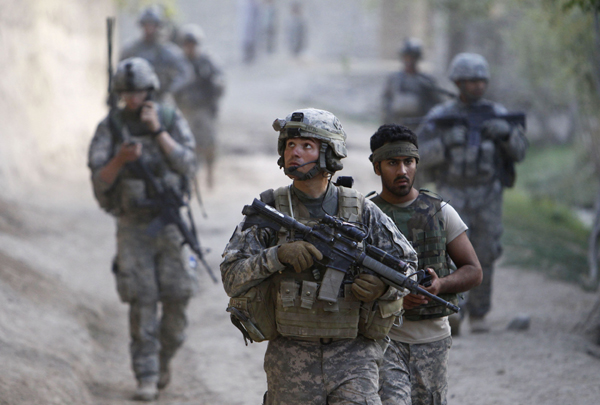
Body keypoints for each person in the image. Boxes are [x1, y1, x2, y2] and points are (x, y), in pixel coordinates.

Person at [221, 108, 418, 405]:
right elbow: (231, 276)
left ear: (329, 153)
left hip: (354, 353)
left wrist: (383, 286)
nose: (294, 153)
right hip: (291, 355)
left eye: (306, 146)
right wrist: (277, 256)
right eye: (290, 145)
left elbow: (407, 266)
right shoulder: (270, 209)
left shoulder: (360, 209)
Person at [87, 57, 198, 401]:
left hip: (168, 224)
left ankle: (165, 359)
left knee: (179, 296)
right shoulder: (111, 127)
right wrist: (120, 160)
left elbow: (188, 164)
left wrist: (158, 132)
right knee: (142, 300)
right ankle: (146, 374)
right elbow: (99, 178)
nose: (132, 99)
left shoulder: (167, 117)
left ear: (150, 90)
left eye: (138, 92)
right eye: (126, 93)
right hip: (133, 225)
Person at [368, 124, 482, 405]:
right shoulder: (365, 214)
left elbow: (473, 271)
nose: (402, 171)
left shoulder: (440, 211)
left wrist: (441, 284)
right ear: (377, 167)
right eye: (393, 163)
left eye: (408, 162)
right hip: (384, 337)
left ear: (416, 163)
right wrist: (393, 299)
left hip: (432, 339)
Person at [417, 53, 528, 333]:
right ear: (458, 82)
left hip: (488, 193)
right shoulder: (441, 116)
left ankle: (479, 314)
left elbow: (521, 152)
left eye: (481, 80)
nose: (477, 86)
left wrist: (505, 134)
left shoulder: (498, 113)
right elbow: (416, 157)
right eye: (471, 81)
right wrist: (444, 143)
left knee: (486, 252)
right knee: (450, 253)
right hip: (453, 192)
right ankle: (454, 310)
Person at [175, 23, 225, 189]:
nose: (190, 48)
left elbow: (220, 82)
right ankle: (190, 178)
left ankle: (210, 174)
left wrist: (214, 88)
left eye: (193, 44)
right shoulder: (178, 63)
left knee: (209, 144)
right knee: (187, 144)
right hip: (185, 110)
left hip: (204, 110)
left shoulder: (207, 61)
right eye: (187, 44)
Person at [120, 5, 193, 104]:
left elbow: (185, 72)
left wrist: (170, 89)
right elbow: (120, 71)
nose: (149, 28)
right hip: (135, 100)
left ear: (158, 26)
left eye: (152, 24)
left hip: (160, 98)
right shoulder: (131, 49)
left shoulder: (168, 51)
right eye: (146, 24)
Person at [381, 38, 444, 131]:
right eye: (406, 57)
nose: (409, 60)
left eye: (412, 57)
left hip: (419, 128)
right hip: (397, 125)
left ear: (417, 58)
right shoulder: (394, 79)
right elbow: (386, 102)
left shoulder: (426, 81)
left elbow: (436, 104)